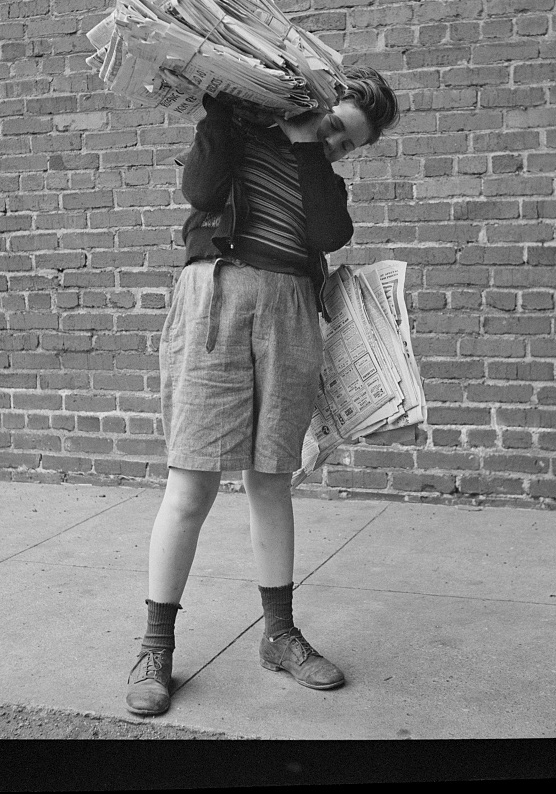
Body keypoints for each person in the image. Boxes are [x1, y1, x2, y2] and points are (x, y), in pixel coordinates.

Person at [125, 67, 401, 716]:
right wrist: (221, 113)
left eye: (348, 146)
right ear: (312, 102)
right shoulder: (237, 135)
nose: (336, 146)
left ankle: (279, 635)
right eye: (335, 127)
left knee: (271, 480)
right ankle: (155, 645)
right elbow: (200, 189)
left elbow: (329, 236)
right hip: (215, 300)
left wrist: (311, 147)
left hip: (289, 313)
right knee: (190, 484)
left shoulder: (318, 171)